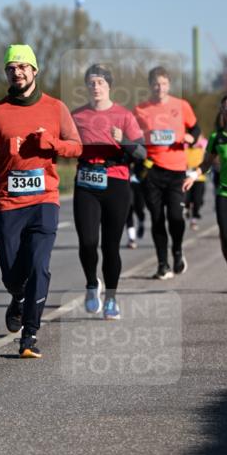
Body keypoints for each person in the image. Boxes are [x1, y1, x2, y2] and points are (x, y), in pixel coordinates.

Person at [0, 44, 82, 358]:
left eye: (22, 67)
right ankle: (17, 297)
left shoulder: (55, 107)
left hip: (44, 199)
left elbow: (77, 147)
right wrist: (1, 150)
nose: (17, 72)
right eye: (11, 68)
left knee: (39, 266)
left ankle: (29, 335)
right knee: (11, 271)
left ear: (34, 70)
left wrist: (53, 144)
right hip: (8, 202)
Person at [71, 64, 146, 320]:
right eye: (91, 83)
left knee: (110, 246)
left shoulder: (124, 116)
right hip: (86, 182)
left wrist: (123, 138)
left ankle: (112, 298)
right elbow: (63, 144)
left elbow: (142, 153)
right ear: (86, 87)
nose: (96, 87)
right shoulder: (76, 116)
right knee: (87, 242)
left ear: (109, 86)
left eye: (100, 82)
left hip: (116, 182)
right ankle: (92, 284)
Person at [133, 66, 202, 279]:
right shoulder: (140, 110)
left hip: (176, 171)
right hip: (152, 171)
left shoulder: (181, 106)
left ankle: (177, 252)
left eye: (163, 83)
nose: (159, 87)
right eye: (155, 83)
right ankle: (162, 264)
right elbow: (133, 138)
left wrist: (192, 138)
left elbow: (196, 129)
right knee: (156, 218)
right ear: (150, 85)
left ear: (169, 85)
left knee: (175, 217)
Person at [184, 94, 227, 294]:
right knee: (225, 237)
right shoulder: (217, 138)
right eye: (226, 108)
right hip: (225, 194)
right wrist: (192, 175)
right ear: (222, 113)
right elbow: (207, 163)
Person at [184, 135, 208, 230]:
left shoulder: (201, 146)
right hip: (187, 176)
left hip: (199, 178)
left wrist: (197, 137)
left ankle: (194, 219)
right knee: (186, 199)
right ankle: (186, 209)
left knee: (197, 200)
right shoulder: (185, 146)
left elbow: (205, 142)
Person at [125, 167, 146, 248]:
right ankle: (132, 239)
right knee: (128, 210)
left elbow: (147, 162)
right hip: (127, 183)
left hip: (139, 184)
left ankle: (141, 223)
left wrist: (142, 175)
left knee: (139, 209)